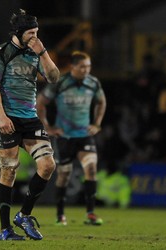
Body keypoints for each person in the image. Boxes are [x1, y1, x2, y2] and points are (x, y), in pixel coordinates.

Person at [0, 9, 60, 241]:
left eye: (37, 32)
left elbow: (54, 77)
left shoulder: (35, 53)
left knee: (48, 165)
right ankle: (5, 230)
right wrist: (1, 116)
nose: (35, 36)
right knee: (9, 170)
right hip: (6, 117)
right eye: (31, 32)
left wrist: (44, 53)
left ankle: (24, 215)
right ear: (19, 33)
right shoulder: (1, 52)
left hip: (29, 118)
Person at [36, 51, 107, 226]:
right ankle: (60, 214)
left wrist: (97, 123)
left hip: (84, 135)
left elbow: (101, 102)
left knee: (91, 170)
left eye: (88, 66)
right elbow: (40, 102)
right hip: (64, 137)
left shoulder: (93, 83)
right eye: (82, 66)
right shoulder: (60, 82)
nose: (86, 70)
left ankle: (90, 213)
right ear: (73, 67)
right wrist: (47, 127)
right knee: (64, 176)